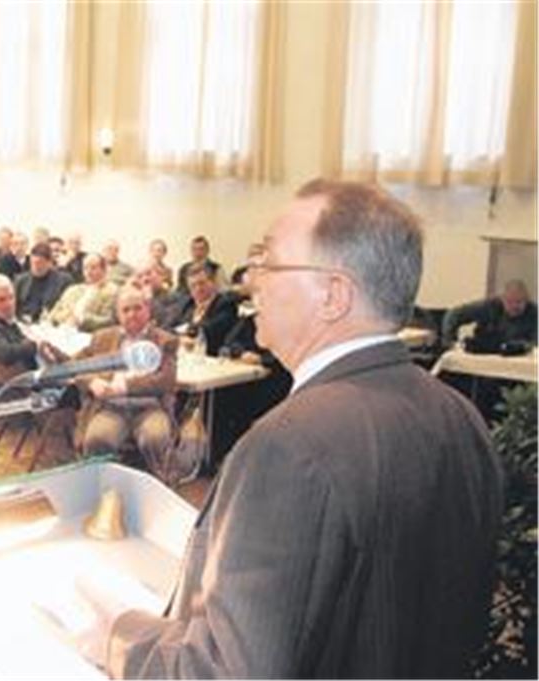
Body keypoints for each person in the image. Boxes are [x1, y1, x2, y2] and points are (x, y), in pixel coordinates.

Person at [79, 180, 503, 679]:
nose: (251, 281)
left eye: (268, 261)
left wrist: (120, 636)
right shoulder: (460, 416)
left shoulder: (291, 445)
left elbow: (224, 671)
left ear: (333, 295)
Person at [77, 285, 178, 473]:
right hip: (111, 408)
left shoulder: (165, 340)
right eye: (126, 310)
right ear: (118, 314)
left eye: (138, 308)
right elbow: (77, 367)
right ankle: (103, 489)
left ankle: (158, 488)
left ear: (148, 310)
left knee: (154, 438)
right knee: (96, 439)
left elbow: (166, 380)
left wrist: (124, 386)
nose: (132, 314)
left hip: (150, 409)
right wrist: (92, 382)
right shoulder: (102, 338)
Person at [163, 262, 239, 356]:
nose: (198, 289)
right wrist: (179, 339)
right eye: (193, 286)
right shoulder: (186, 304)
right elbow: (166, 328)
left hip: (212, 358)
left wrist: (182, 335)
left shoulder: (225, 304)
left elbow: (208, 330)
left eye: (202, 283)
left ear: (213, 282)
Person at [441, 279, 537, 349]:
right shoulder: (489, 306)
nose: (515, 306)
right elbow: (453, 315)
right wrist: (450, 342)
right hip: (482, 355)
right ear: (502, 299)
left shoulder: (534, 313)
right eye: (510, 302)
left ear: (527, 300)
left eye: (519, 302)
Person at [45, 254, 119, 332]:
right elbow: (54, 314)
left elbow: (109, 320)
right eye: (85, 268)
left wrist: (81, 319)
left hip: (88, 334)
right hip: (61, 330)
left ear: (103, 270)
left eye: (93, 268)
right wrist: (66, 317)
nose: (88, 271)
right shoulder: (73, 289)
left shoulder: (111, 291)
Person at [13, 242, 73, 322]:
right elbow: (14, 306)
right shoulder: (21, 281)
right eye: (33, 263)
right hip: (24, 321)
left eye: (40, 263)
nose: (36, 267)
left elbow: (66, 309)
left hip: (50, 323)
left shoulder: (63, 281)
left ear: (49, 263)